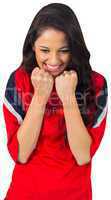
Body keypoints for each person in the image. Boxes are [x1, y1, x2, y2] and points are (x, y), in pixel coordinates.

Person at [3, 3, 108, 200]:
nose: (54, 60)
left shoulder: (97, 84)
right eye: (44, 50)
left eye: (63, 50)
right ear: (32, 45)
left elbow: (83, 155)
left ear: (74, 48)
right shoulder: (17, 81)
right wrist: (40, 96)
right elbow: (20, 154)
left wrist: (68, 96)